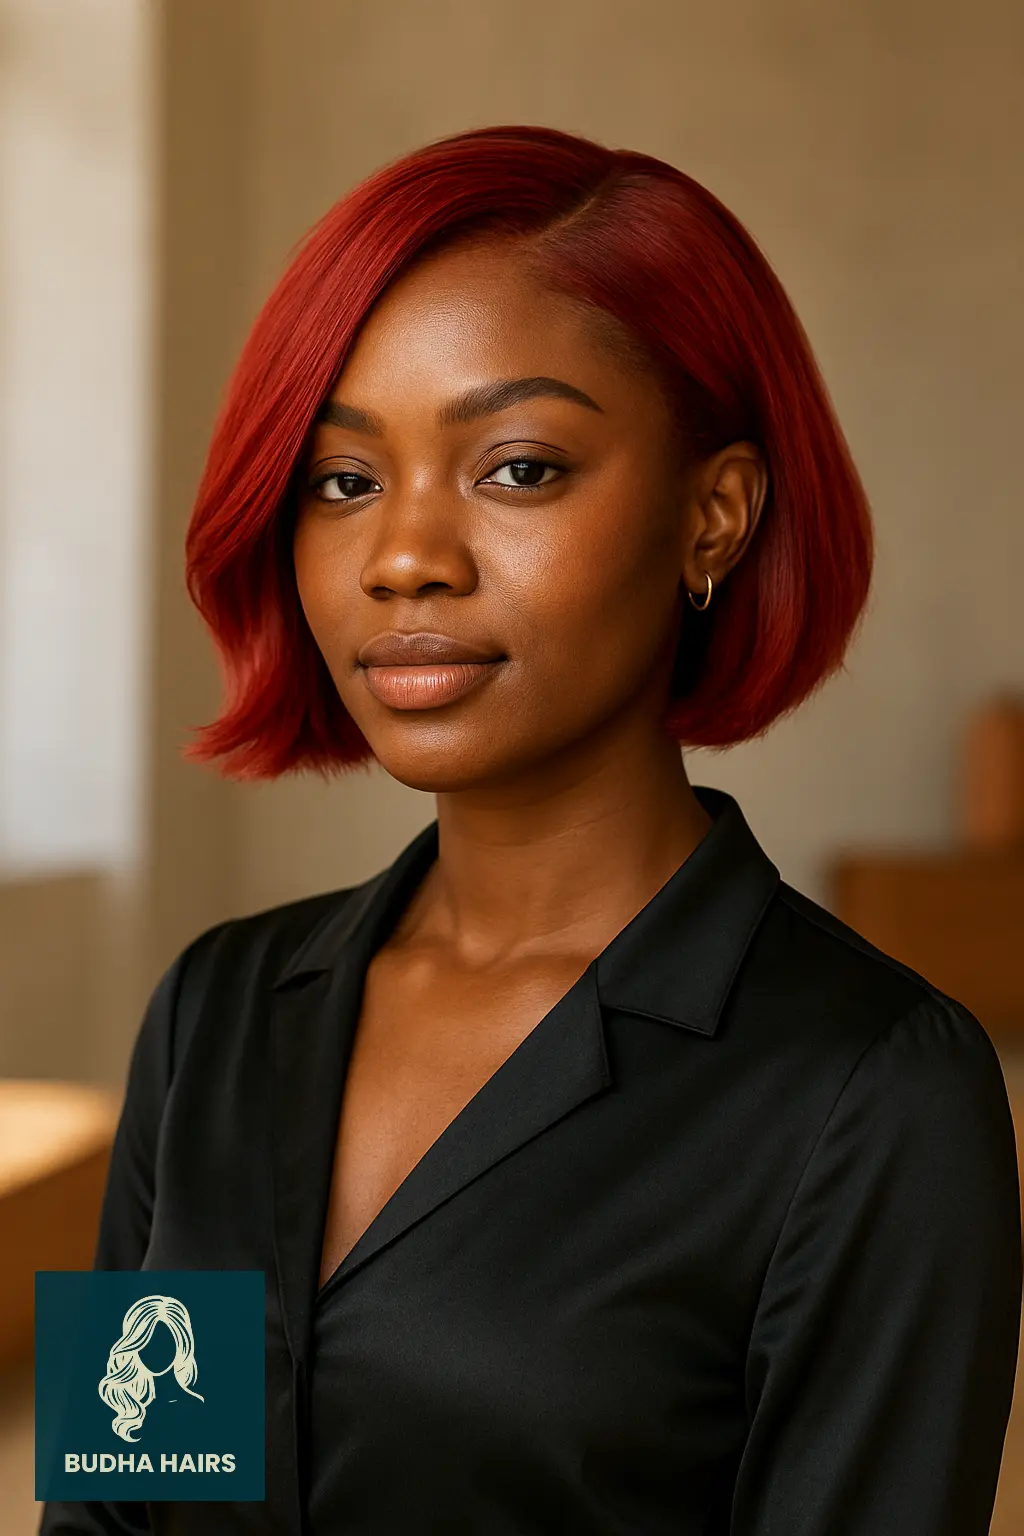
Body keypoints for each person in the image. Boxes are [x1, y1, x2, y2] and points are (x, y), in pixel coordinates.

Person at [41, 124, 1022, 1535]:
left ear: (715, 516)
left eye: (516, 468)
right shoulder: (217, 1010)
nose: (403, 558)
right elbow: (114, 1501)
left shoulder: (873, 1094)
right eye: (343, 481)